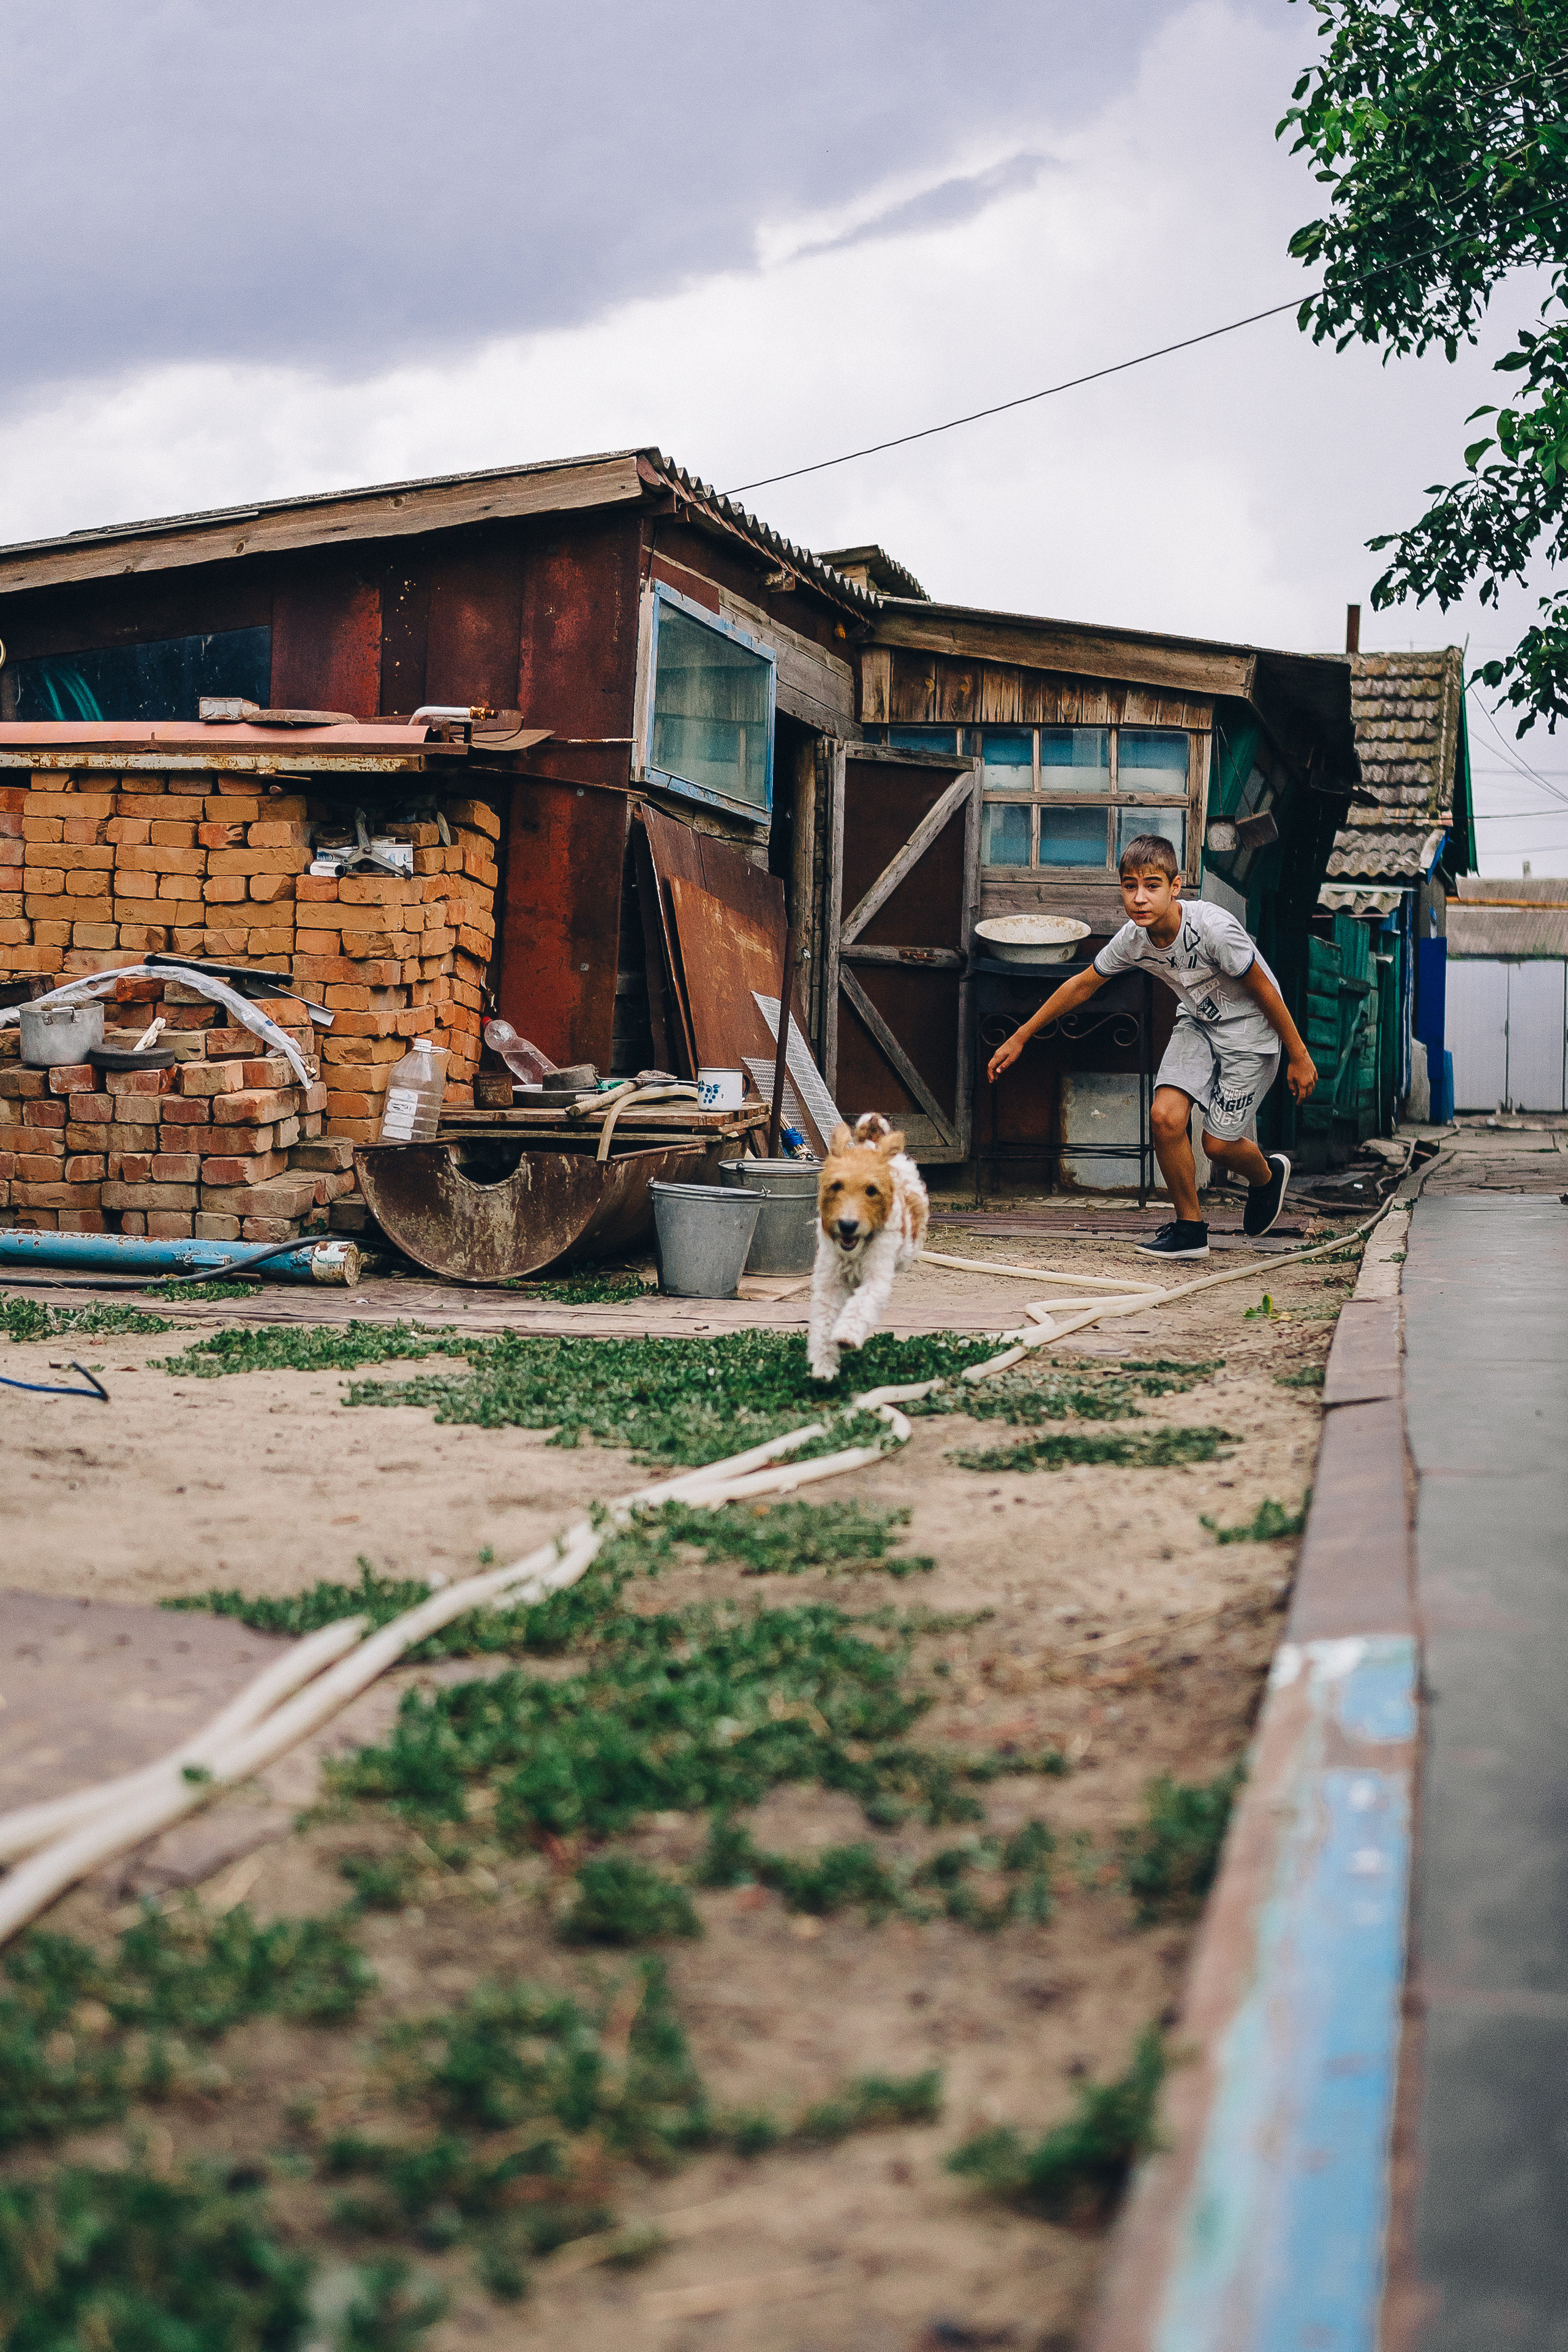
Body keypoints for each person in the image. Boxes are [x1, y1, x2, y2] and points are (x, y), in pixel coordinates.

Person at [986, 834, 1317, 1258]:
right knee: (1164, 1117)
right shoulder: (1133, 939)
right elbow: (1082, 985)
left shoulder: (1213, 929)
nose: (1140, 898)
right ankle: (1190, 1231)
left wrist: (1299, 1054)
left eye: (1152, 885)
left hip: (1251, 1035)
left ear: (1175, 887)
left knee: (1217, 1145)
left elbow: (1265, 990)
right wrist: (1021, 1035)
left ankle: (1267, 1177)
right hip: (1198, 1023)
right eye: (1129, 886)